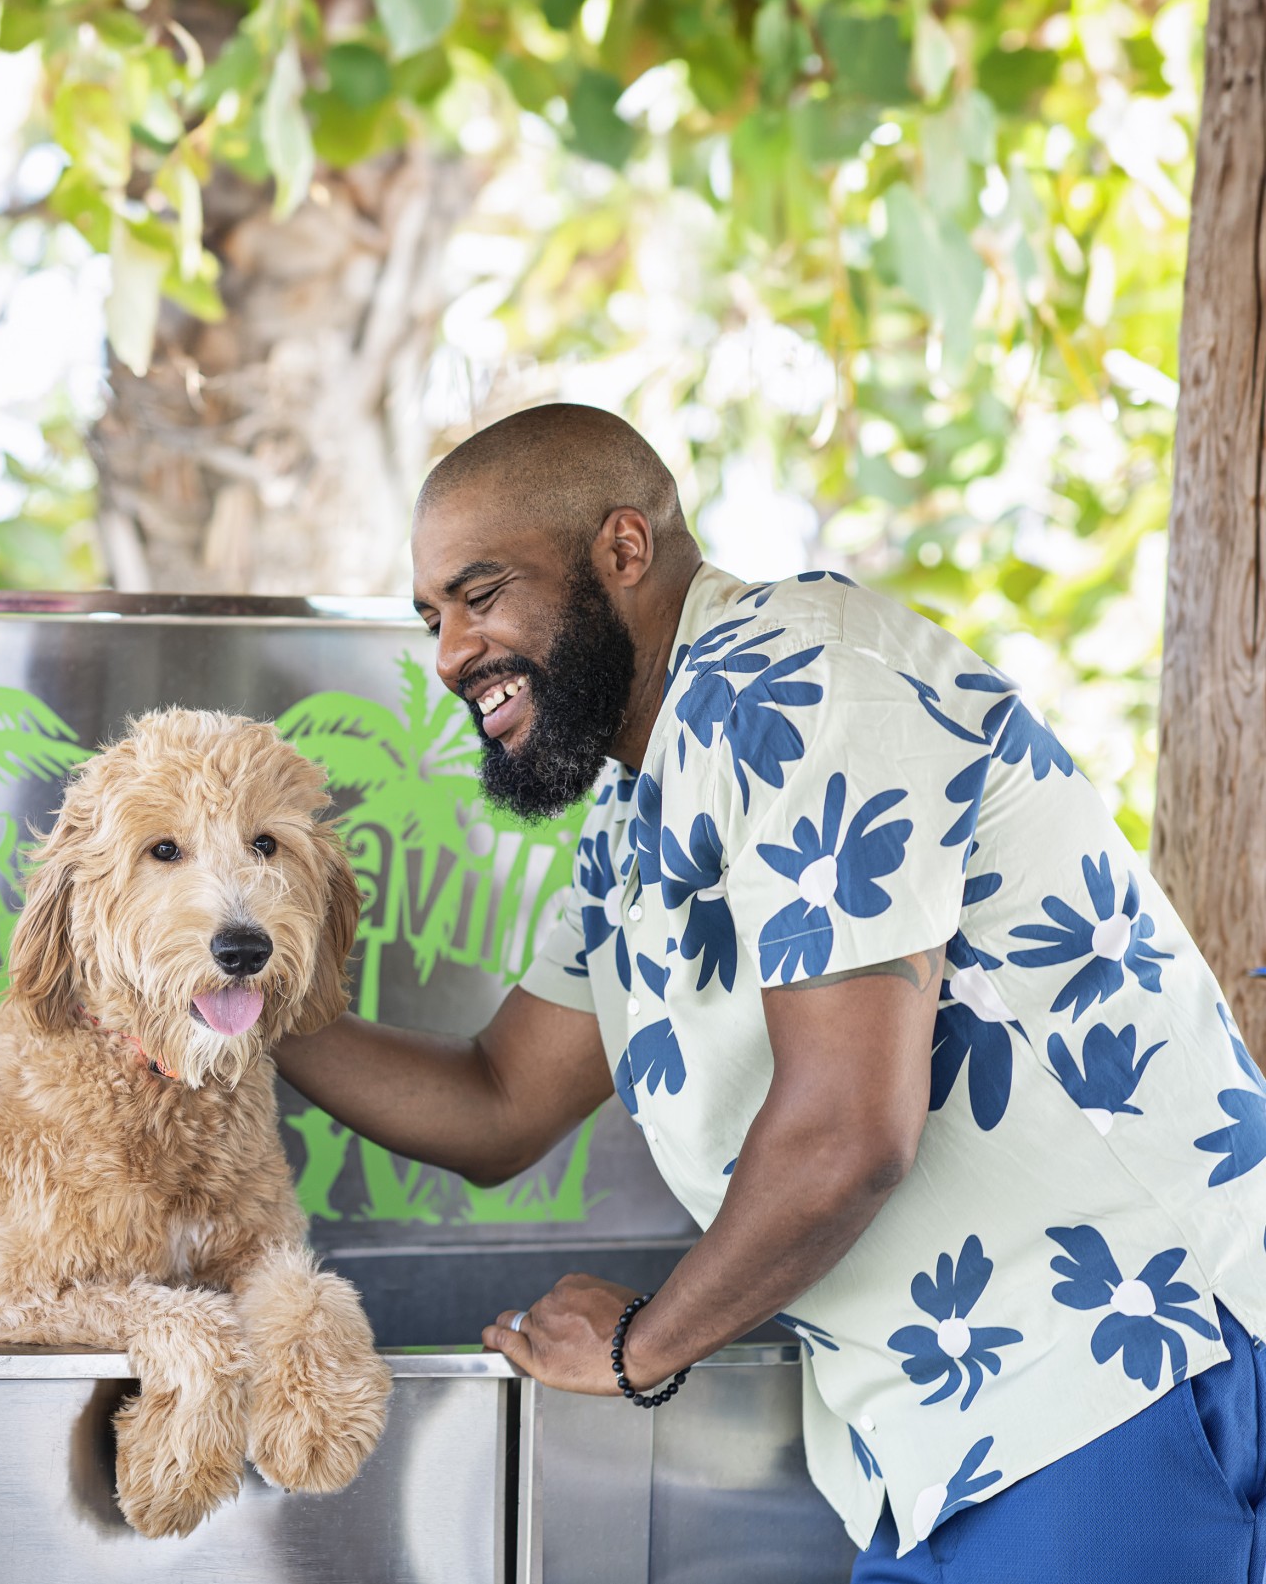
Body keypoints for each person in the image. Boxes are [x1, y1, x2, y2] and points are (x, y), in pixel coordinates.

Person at [274, 404, 1266, 1581]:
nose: (449, 652)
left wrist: (645, 1344)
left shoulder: (800, 684)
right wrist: (232, 1000)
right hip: (939, 1439)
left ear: (623, 550)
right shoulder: (637, 805)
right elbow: (500, 1102)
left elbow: (849, 1129)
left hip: (1122, 1368)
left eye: (482, 594)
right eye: (434, 616)